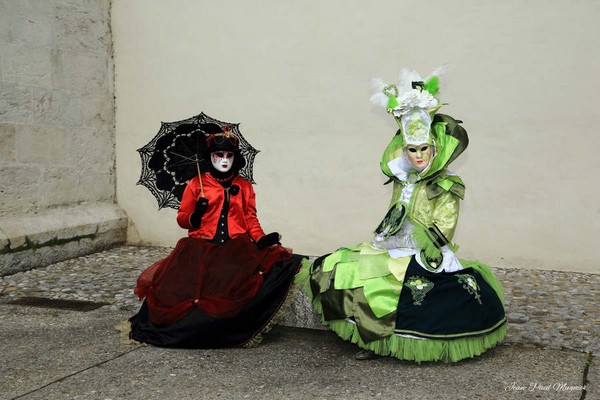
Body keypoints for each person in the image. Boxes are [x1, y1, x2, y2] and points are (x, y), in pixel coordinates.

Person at [305, 68, 507, 362]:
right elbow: (397, 212)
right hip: (394, 244)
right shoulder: (403, 178)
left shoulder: (445, 183)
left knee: (402, 289)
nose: (418, 156)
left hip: (427, 250)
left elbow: (445, 224)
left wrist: (428, 248)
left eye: (424, 148)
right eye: (412, 150)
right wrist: (385, 236)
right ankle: (371, 340)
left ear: (434, 148)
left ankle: (388, 340)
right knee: (343, 269)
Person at [129, 124, 305, 348]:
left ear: (235, 158)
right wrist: (197, 214)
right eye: (218, 154)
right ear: (210, 156)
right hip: (200, 247)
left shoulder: (243, 186)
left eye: (228, 155)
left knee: (251, 283)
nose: (224, 159)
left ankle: (232, 331)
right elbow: (182, 220)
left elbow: (250, 218)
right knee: (191, 293)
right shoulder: (196, 184)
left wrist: (261, 239)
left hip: (236, 246)